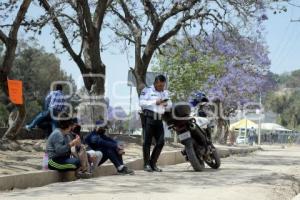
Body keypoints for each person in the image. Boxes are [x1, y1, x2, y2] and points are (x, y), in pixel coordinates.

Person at [139, 74, 171, 172]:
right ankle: (146, 164)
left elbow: (170, 105)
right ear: (156, 83)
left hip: (159, 118)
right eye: (160, 85)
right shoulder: (147, 90)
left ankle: (153, 163)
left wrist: (166, 105)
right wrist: (154, 102)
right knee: (147, 142)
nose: (162, 87)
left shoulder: (165, 93)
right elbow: (141, 103)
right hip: (149, 117)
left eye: (163, 85)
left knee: (161, 142)